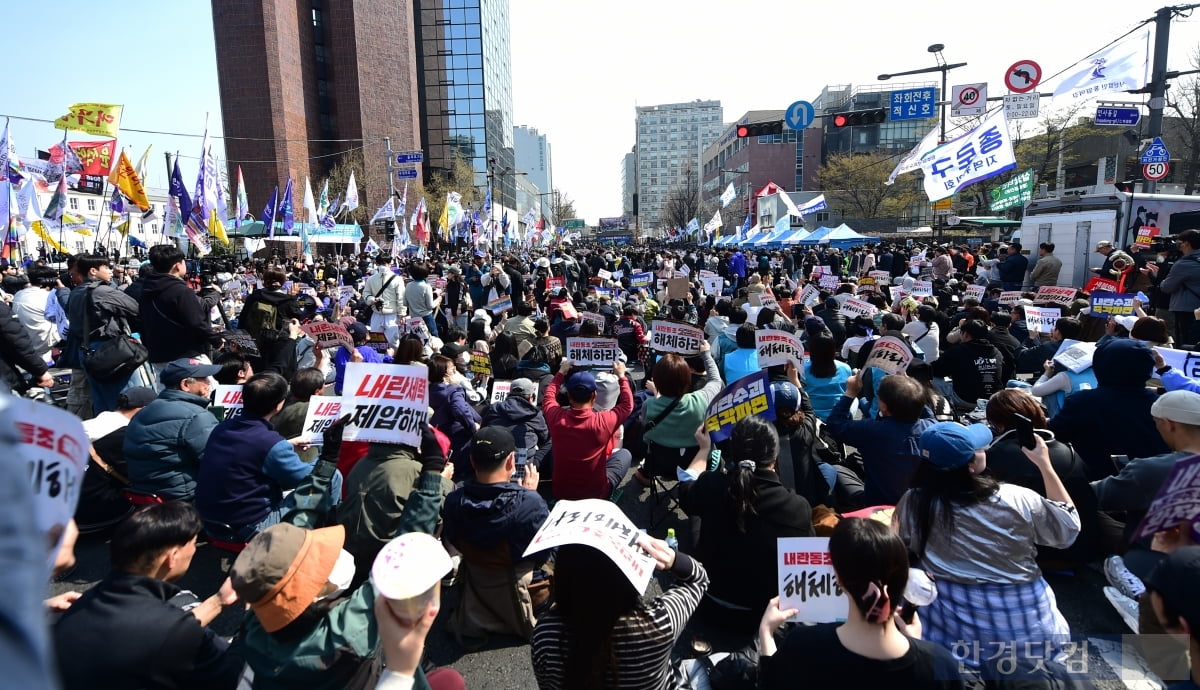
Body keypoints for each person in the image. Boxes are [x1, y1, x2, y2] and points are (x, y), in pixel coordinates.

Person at [895, 422, 1080, 669]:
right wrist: (1045, 466)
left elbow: (903, 544)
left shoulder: (914, 501)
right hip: (1028, 628)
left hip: (951, 631)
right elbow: (1067, 531)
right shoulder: (1016, 497)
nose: (985, 450)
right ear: (971, 465)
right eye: (979, 448)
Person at [53, 502, 243, 690]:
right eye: (193, 544)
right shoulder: (174, 630)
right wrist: (253, 616)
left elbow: (158, 632)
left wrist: (219, 601)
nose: (194, 550)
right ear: (172, 557)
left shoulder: (80, 606)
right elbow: (234, 677)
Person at [758, 518, 964, 690]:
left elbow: (773, 682)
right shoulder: (940, 665)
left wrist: (766, 633)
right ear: (904, 579)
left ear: (838, 579)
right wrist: (916, 646)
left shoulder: (802, 646)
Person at [678, 417, 813, 638]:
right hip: (759, 618)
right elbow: (804, 568)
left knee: (697, 515)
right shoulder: (797, 509)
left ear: (732, 451)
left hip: (704, 602)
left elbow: (685, 489)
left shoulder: (712, 484)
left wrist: (703, 450)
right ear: (775, 456)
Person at [530, 535, 708, 690]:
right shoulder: (659, 624)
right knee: (705, 667)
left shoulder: (545, 634)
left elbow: (546, 684)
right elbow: (698, 579)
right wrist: (672, 558)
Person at [442, 427, 550, 644]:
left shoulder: (454, 500)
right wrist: (530, 494)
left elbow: (453, 540)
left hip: (477, 573)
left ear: (472, 461)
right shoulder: (530, 503)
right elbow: (543, 556)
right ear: (511, 461)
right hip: (520, 584)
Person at [195, 372, 329, 542]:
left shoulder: (222, 428)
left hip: (210, 522)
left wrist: (286, 445)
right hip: (248, 529)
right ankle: (315, 539)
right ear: (279, 405)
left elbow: (247, 451)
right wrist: (327, 456)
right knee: (330, 478)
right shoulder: (270, 443)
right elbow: (307, 479)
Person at [984, 389, 1100, 564]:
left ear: (998, 424)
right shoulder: (1069, 451)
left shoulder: (996, 456)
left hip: (1033, 555)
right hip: (1083, 547)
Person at [1049, 339, 1170, 479]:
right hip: (1155, 482)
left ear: (1101, 365)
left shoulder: (1082, 402)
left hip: (1095, 484)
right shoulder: (1162, 404)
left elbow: (1056, 436)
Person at [826, 373, 935, 505]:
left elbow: (834, 424)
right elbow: (927, 413)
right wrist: (910, 390)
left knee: (836, 469)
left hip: (880, 505)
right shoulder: (932, 428)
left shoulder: (871, 430)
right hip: (919, 504)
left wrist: (850, 393)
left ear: (883, 406)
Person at [124, 358, 223, 501]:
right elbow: (219, 462)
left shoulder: (142, 413)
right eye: (204, 378)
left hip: (145, 498)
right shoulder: (196, 416)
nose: (209, 383)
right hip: (185, 500)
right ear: (185, 384)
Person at [543, 357, 633, 500]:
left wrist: (561, 373)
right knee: (625, 454)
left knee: (553, 447)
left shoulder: (555, 417)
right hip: (597, 494)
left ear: (569, 396)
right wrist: (622, 377)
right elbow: (627, 405)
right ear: (594, 395)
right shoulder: (604, 421)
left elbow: (548, 397)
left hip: (561, 493)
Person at [62, 254, 142, 415]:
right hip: (108, 350)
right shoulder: (101, 291)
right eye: (106, 267)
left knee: (101, 400)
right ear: (93, 271)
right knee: (127, 398)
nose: (110, 271)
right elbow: (134, 307)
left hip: (86, 349)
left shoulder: (76, 291)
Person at [637, 343, 722, 483]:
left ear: (656, 380)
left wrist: (656, 394)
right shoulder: (701, 399)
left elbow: (646, 431)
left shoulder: (648, 405)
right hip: (698, 466)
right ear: (687, 379)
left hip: (660, 466)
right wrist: (706, 354)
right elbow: (715, 380)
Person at [77, 387, 156, 530]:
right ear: (143, 410)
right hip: (101, 510)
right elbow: (140, 475)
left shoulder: (84, 426)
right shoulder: (126, 436)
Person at [140, 244, 224, 375]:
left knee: (167, 388)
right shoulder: (180, 291)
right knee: (207, 385)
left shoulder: (147, 289)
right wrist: (216, 340)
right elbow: (196, 322)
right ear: (177, 266)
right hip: (186, 355)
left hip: (158, 355)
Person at [428, 355, 482, 477]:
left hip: (438, 441)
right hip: (460, 441)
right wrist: (473, 427)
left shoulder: (427, 391)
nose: (456, 372)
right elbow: (460, 411)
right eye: (453, 369)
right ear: (445, 375)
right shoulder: (452, 391)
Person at [930, 319, 1003, 410]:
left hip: (966, 399)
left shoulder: (958, 351)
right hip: (993, 400)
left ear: (965, 334)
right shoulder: (997, 352)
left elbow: (936, 370)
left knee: (933, 379)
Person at [481, 377, 551, 470]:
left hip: (494, 461)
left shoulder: (494, 408)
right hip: (522, 465)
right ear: (531, 397)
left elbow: (483, 429)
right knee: (551, 441)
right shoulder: (535, 414)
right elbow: (544, 438)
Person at [1159, 229, 1200, 346]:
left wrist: (1162, 280)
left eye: (1179, 243)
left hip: (1187, 310)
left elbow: (1167, 287)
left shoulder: (1183, 264)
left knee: (1186, 342)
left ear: (1186, 244)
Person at [363, 255, 407, 345]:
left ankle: (393, 354)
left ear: (390, 264)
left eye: (385, 263)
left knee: (392, 341)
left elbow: (401, 298)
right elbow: (365, 293)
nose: (383, 266)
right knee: (376, 341)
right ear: (377, 264)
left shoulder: (397, 279)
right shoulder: (371, 279)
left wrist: (402, 314)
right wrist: (371, 299)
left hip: (392, 314)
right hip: (376, 313)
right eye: (380, 263)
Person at [404, 260, 441, 337]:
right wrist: (438, 299)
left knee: (416, 338)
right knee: (433, 338)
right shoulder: (426, 287)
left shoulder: (408, 285)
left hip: (414, 317)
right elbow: (430, 306)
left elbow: (405, 303)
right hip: (426, 317)